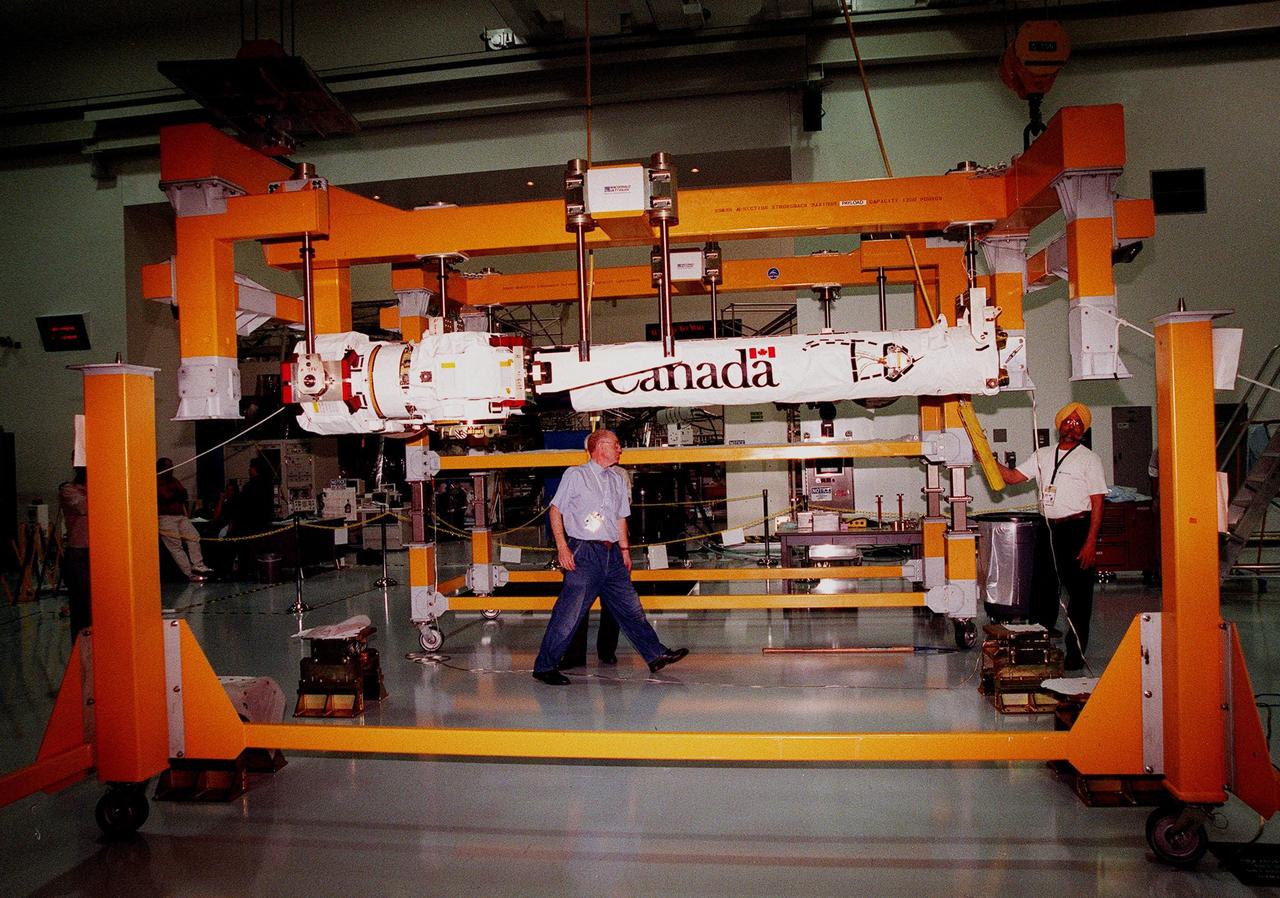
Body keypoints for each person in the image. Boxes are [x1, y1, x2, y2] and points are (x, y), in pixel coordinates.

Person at [532, 429, 688, 685]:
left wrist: (625, 551)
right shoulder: (576, 474)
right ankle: (545, 666)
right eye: (616, 444)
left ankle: (655, 654)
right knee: (569, 613)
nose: (620, 449)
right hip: (584, 552)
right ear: (600, 446)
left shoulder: (617, 479)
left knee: (631, 608)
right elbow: (555, 510)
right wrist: (562, 547)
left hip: (612, 554)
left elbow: (620, 517)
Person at [995, 402, 1108, 671]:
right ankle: (1039, 645)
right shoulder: (1042, 455)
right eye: (1068, 421)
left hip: (1078, 530)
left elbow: (1098, 504)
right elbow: (1011, 478)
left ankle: (1075, 653)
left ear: (1084, 430)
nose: (1073, 426)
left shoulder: (1089, 459)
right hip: (1048, 530)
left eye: (1078, 423)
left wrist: (1091, 542)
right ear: (1059, 425)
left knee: (1079, 596)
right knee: (1043, 591)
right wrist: (987, 459)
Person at [157, 458, 213, 583]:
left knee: (193, 536)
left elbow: (183, 494)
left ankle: (198, 565)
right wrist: (176, 493)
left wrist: (176, 494)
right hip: (166, 518)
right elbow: (167, 496)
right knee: (176, 546)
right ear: (162, 468)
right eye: (169, 466)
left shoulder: (174, 480)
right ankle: (189, 573)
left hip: (180, 516)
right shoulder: (157, 480)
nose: (172, 469)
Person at [57, 467, 91, 636]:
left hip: (100, 554)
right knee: (82, 609)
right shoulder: (68, 490)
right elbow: (83, 506)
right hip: (79, 556)